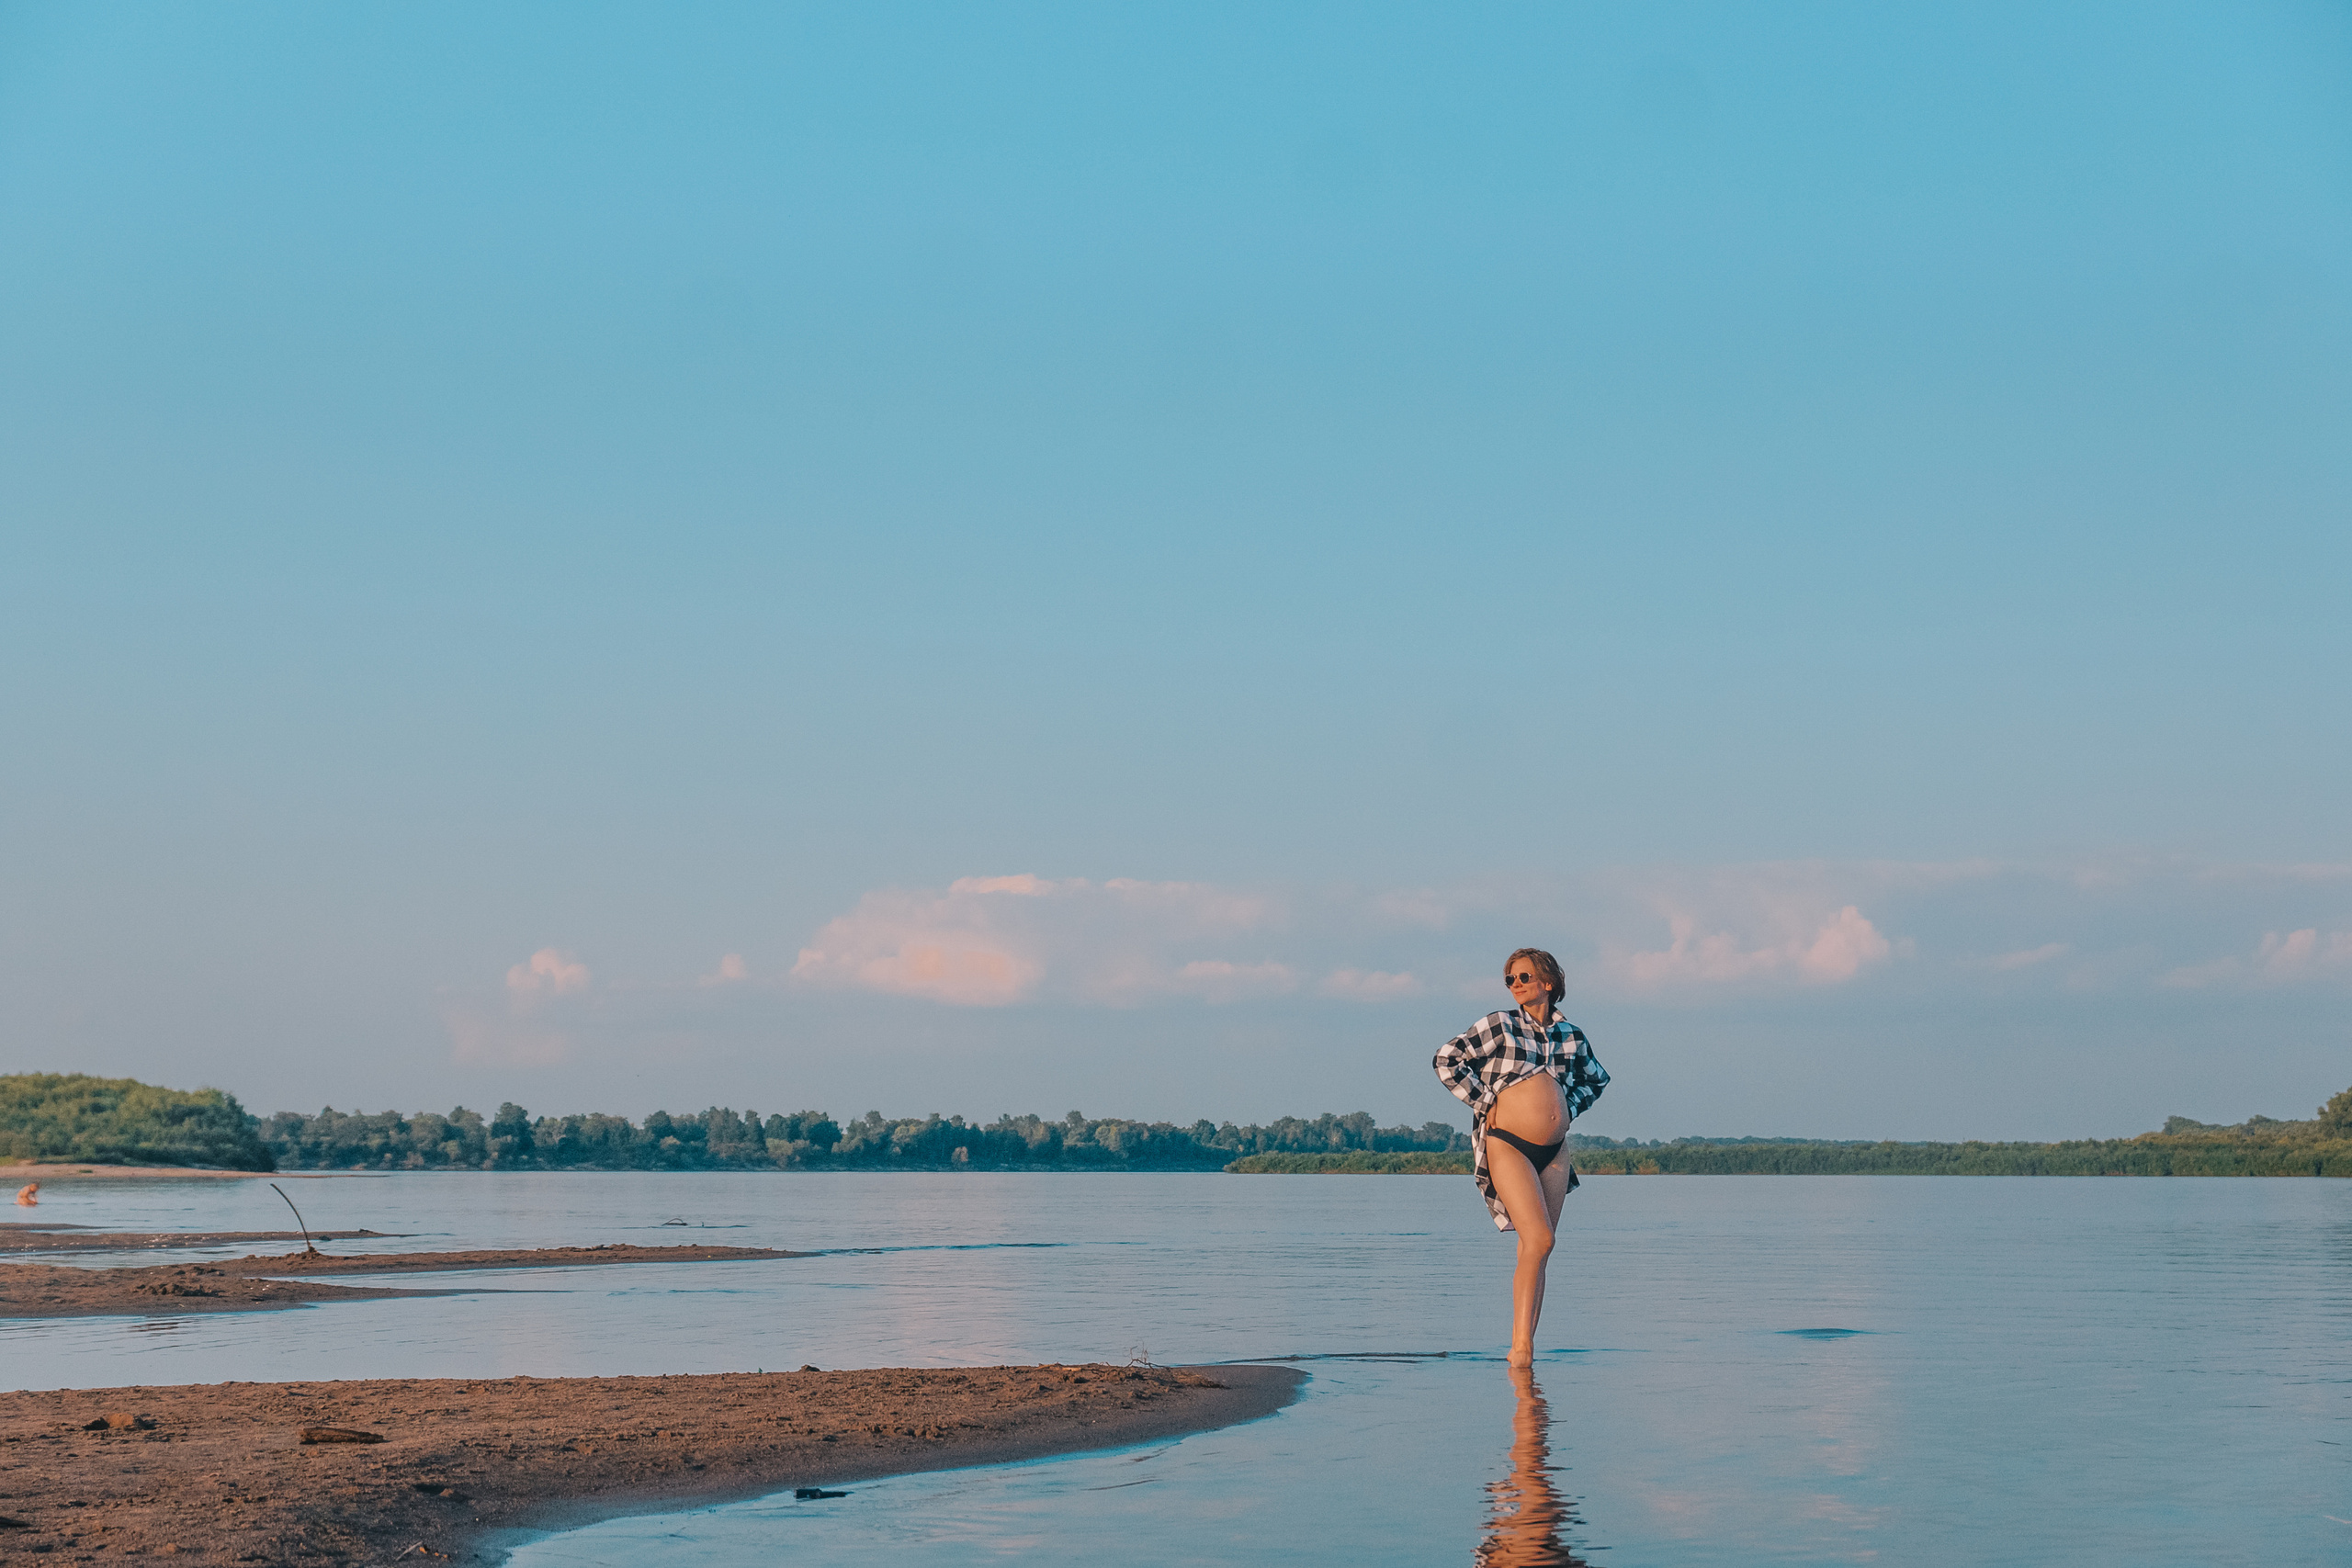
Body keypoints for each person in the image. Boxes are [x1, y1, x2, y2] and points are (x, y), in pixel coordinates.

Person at [1433, 947, 1608, 1367]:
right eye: (1510, 979)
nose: (1515, 985)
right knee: (1541, 1238)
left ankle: (1524, 1345)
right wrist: (1484, 1098)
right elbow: (1446, 1059)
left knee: (1538, 1248)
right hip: (1507, 1141)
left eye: (1523, 977)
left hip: (1554, 1151)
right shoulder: (1500, 1025)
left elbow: (1597, 1079)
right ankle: (1521, 1350)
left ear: (1548, 983)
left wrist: (1565, 1107)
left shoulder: (1572, 1036)